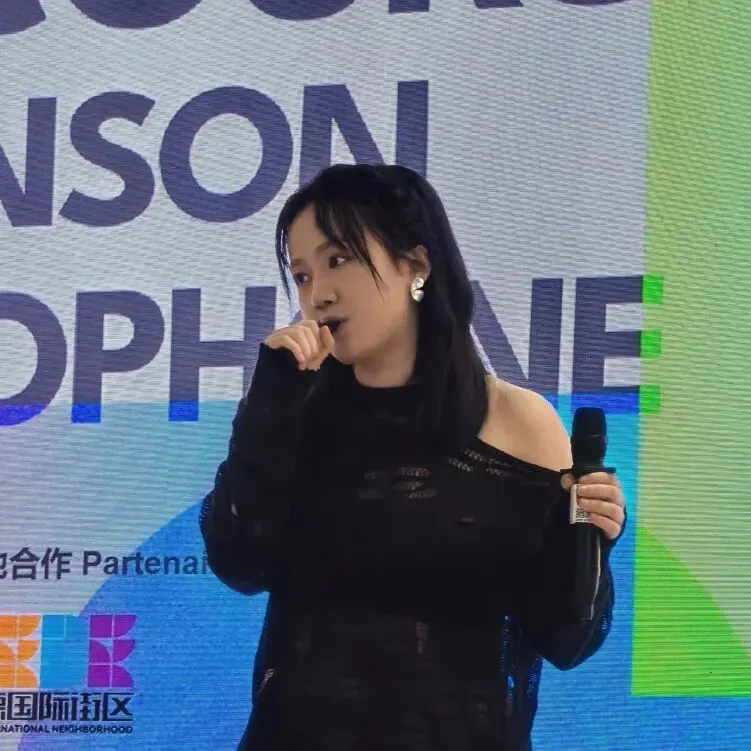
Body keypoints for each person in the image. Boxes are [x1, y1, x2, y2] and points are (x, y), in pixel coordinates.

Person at [200, 164, 626, 751]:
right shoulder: (293, 414)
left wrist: (591, 538)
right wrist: (270, 404)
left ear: (417, 265)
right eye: (301, 275)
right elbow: (238, 562)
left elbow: (565, 637)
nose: (318, 293)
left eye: (338, 259)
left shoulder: (520, 422)